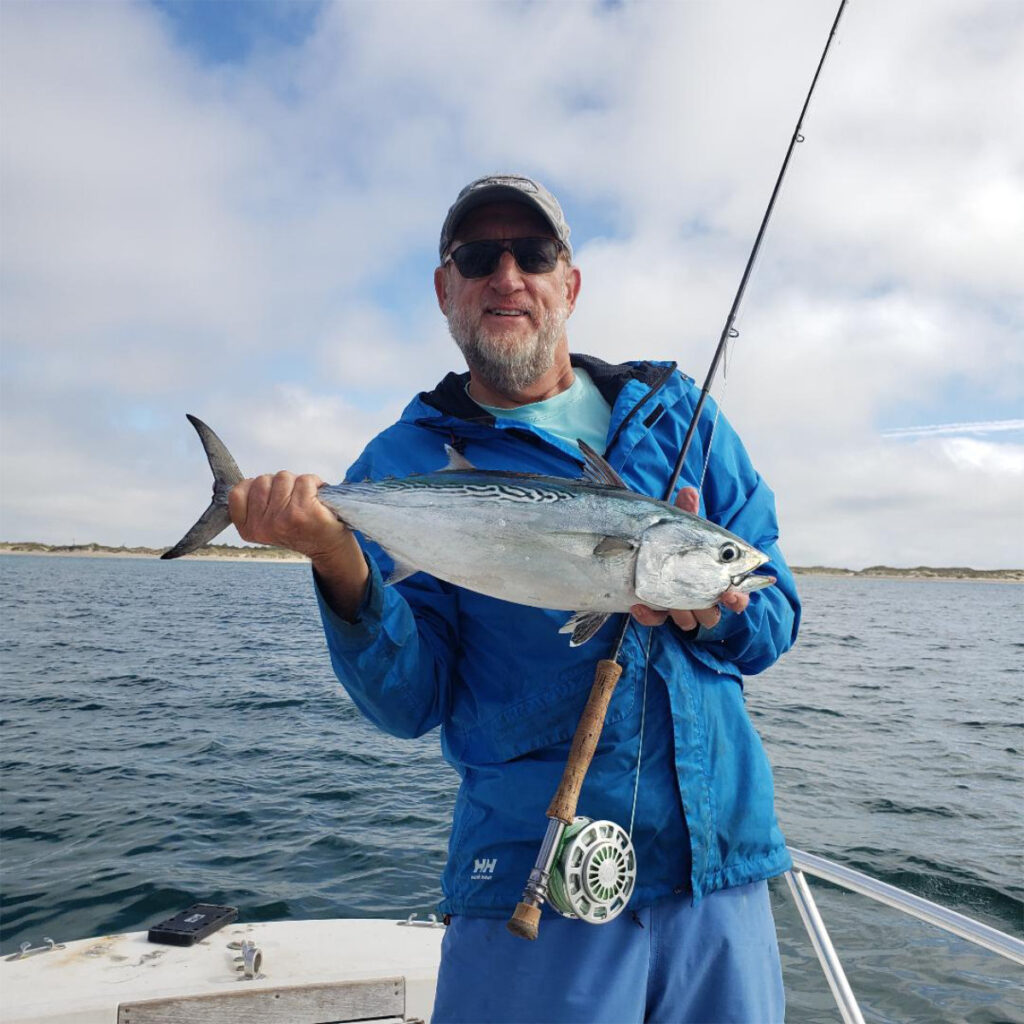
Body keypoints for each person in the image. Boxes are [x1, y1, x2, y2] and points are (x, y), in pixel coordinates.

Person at [228, 174, 801, 1023]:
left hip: (720, 872)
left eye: (532, 254)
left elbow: (775, 611)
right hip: (532, 879)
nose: (507, 276)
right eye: (476, 257)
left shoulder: (680, 420)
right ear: (445, 291)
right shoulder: (406, 456)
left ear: (568, 284)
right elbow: (407, 700)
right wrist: (334, 557)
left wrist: (720, 610)